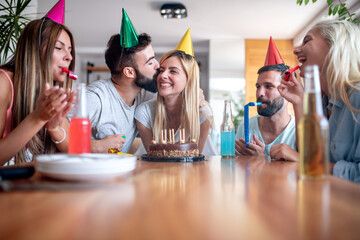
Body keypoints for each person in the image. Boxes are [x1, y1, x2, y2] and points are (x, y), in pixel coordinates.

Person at [277, 20, 360, 183]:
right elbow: (310, 154)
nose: (296, 50)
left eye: (307, 40)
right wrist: (299, 102)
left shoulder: (357, 96)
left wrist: (304, 162)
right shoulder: (322, 102)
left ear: (334, 45)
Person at [0, 0, 76, 165]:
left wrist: (54, 128)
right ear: (34, 49)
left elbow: (74, 152)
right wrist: (37, 118)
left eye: (70, 50)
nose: (69, 57)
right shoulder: (3, 83)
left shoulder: (52, 93)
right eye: (58, 48)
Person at [87, 9, 159, 153]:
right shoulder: (95, 97)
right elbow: (58, 136)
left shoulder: (143, 95)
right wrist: (97, 146)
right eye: (150, 63)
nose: (158, 65)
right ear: (129, 72)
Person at [134, 29, 214, 155]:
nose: (162, 75)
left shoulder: (202, 114)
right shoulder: (144, 112)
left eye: (173, 71)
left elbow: (195, 160)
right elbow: (154, 159)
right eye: (161, 70)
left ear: (189, 79)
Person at [235, 37, 297, 161]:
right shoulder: (245, 128)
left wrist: (261, 160)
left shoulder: (299, 132)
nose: (260, 93)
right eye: (258, 86)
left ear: (287, 91)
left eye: (269, 86)